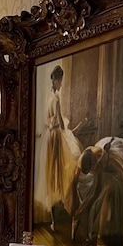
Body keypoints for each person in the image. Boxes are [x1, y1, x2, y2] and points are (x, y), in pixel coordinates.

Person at [33, 65, 82, 230]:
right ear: (56, 80)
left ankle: (55, 220)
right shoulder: (56, 99)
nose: (61, 83)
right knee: (63, 171)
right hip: (55, 139)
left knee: (51, 176)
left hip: (49, 138)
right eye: (60, 80)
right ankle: (69, 212)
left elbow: (47, 121)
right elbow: (60, 123)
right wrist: (71, 130)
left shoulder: (48, 97)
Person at [69, 136, 123, 246]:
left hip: (116, 163)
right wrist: (77, 207)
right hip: (104, 154)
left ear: (93, 165)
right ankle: (94, 236)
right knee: (93, 196)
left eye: (91, 170)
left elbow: (96, 192)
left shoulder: (99, 162)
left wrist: (82, 209)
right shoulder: (86, 156)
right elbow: (75, 179)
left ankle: (100, 238)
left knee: (107, 193)